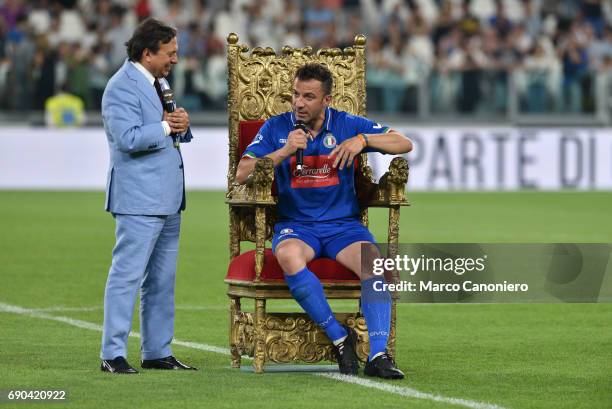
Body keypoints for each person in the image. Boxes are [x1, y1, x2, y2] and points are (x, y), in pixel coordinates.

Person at [235, 63, 412, 379]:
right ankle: (340, 338)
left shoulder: (346, 124)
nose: (299, 103)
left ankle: (378, 355)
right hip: (297, 226)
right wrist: (284, 151)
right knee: (288, 255)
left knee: (375, 265)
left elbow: (404, 143)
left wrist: (362, 140)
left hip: (344, 227)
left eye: (308, 96)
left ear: (326, 100)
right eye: (296, 94)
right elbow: (242, 173)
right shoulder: (277, 128)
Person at [100, 18, 195, 374]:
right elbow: (127, 139)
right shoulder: (120, 87)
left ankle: (156, 351)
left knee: (161, 280)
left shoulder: (160, 82)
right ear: (147, 52)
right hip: (139, 199)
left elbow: (165, 129)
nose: (175, 59)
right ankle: (112, 353)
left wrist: (181, 126)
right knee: (126, 275)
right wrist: (167, 126)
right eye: (169, 53)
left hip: (168, 198)